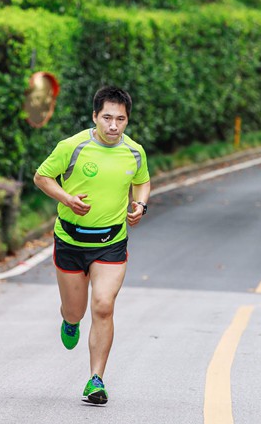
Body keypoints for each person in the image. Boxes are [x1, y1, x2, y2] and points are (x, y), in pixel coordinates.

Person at [33, 86, 150, 405]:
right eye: (107, 118)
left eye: (121, 119)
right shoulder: (72, 146)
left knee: (103, 305)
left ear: (128, 120)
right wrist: (67, 198)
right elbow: (42, 177)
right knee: (76, 310)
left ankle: (95, 379)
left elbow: (142, 180)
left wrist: (140, 205)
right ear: (95, 116)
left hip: (111, 242)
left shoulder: (135, 151)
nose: (114, 126)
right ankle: (70, 321)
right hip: (70, 240)